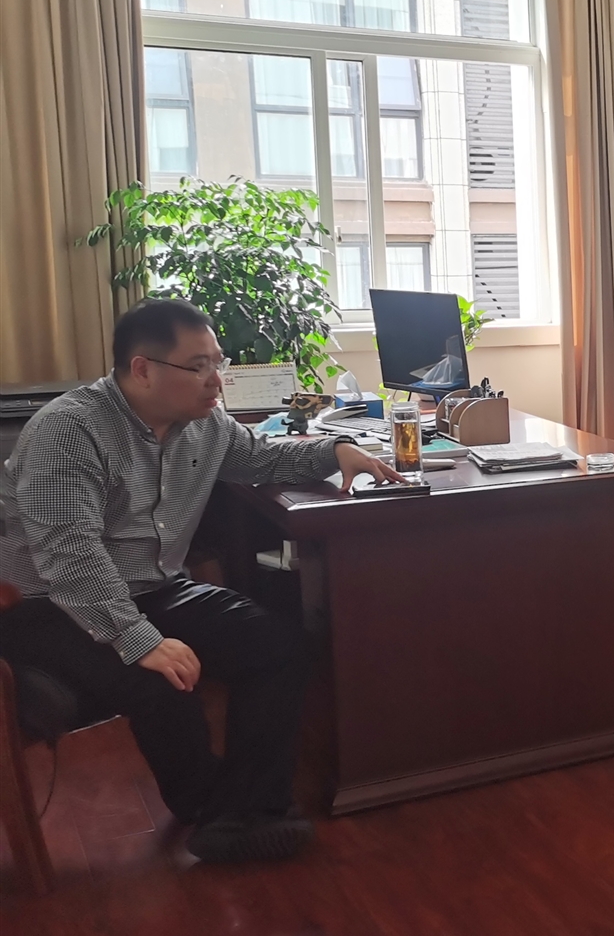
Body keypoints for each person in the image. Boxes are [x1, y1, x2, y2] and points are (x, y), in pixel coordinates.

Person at [0, 299, 401, 863]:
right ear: (142, 369)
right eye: (199, 366)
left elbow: (261, 459)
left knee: (276, 645)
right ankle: (216, 811)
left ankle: (244, 810)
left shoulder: (203, 425)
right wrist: (142, 640)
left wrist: (335, 451)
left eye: (218, 362)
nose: (217, 380)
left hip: (153, 587)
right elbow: (69, 557)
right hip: (44, 605)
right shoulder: (70, 430)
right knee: (161, 677)